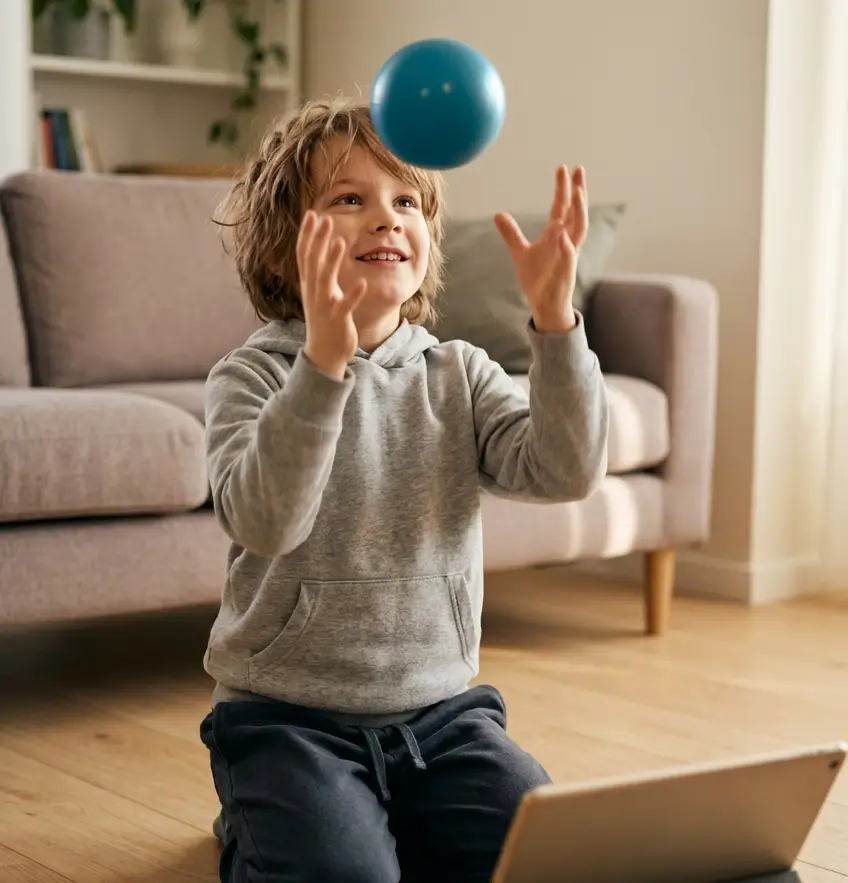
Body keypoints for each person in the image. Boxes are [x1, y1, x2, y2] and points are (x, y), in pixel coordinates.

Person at [199, 96, 609, 883]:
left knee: (550, 861)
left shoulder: (459, 372)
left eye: (406, 201)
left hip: (445, 718)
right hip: (287, 722)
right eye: (348, 199)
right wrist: (323, 363)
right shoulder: (251, 374)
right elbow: (265, 519)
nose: (386, 219)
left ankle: (389, 823)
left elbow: (566, 470)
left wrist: (557, 322)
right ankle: (256, 814)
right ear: (285, 251)